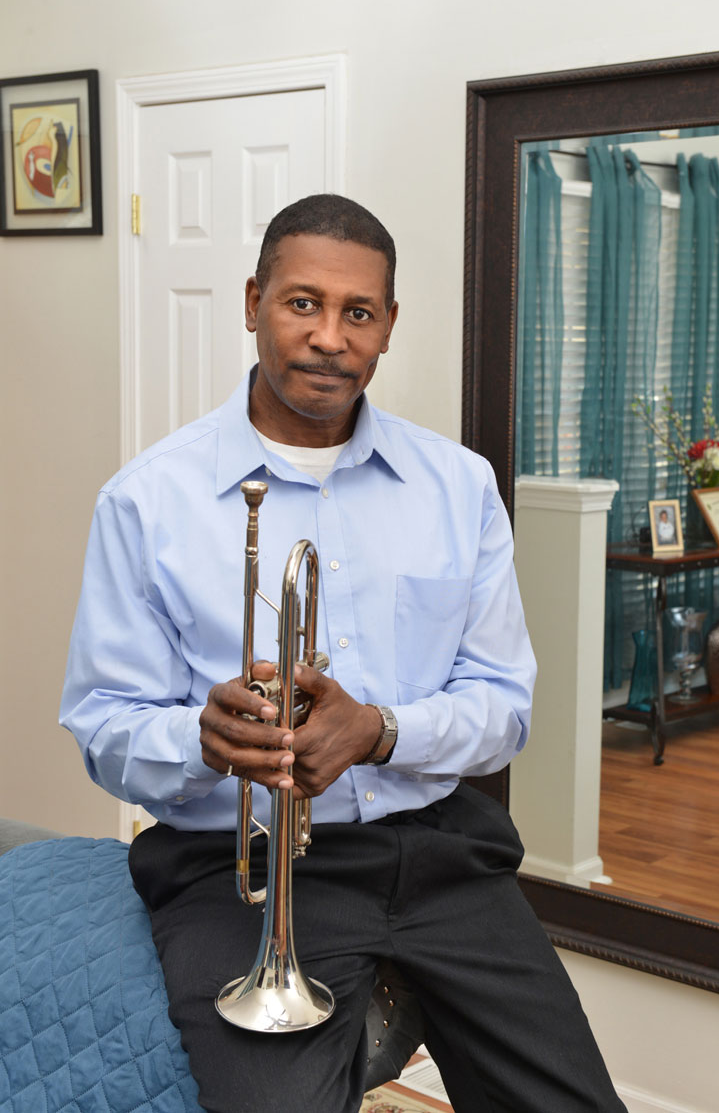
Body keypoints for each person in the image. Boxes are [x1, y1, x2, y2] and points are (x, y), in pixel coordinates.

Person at [61, 194, 626, 1113]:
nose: (330, 336)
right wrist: (202, 741)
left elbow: (504, 706)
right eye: (302, 304)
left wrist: (378, 730)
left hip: (437, 850)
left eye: (357, 312)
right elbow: (103, 726)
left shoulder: (458, 485)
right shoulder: (146, 500)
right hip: (235, 865)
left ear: (389, 326)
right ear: (253, 302)